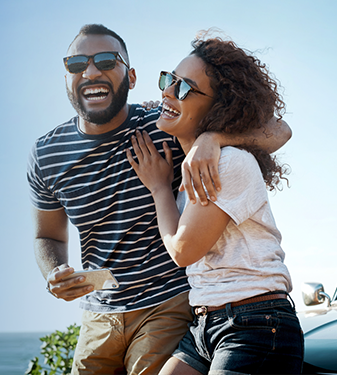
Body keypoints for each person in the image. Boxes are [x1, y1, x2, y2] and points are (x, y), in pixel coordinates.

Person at [27, 24, 292, 375]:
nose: (91, 72)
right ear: (65, 77)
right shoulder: (46, 154)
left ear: (130, 76)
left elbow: (277, 130)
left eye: (107, 60)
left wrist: (213, 137)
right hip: (100, 313)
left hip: (169, 304)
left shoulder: (165, 122)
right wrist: (54, 271)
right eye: (77, 64)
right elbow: (47, 236)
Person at [128, 34, 303, 375]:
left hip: (255, 325)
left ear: (218, 106)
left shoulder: (229, 162)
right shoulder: (196, 161)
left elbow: (183, 251)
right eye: (168, 79)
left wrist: (160, 188)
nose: (167, 91)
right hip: (206, 326)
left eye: (183, 88)